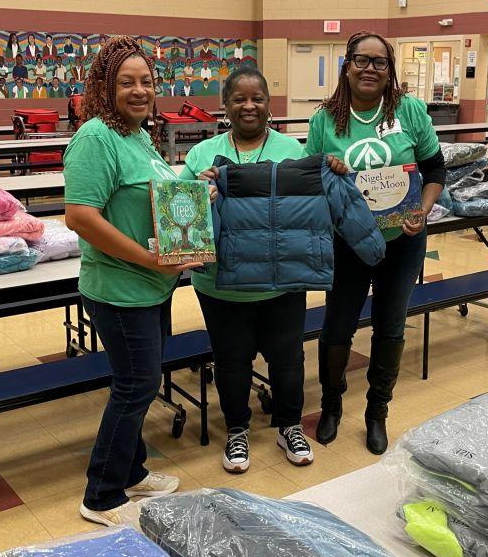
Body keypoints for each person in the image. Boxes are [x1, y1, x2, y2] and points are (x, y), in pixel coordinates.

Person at [64, 35, 203, 527]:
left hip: (151, 285)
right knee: (135, 385)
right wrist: (150, 258)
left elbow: (150, 197)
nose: (139, 90)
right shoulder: (96, 137)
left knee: (142, 384)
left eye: (146, 81)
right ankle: (100, 494)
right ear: (106, 86)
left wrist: (192, 191)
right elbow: (79, 216)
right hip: (122, 288)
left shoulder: (138, 134)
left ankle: (134, 470)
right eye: (126, 82)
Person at [304, 31, 445, 455]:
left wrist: (422, 209)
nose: (370, 69)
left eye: (379, 62)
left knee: (391, 326)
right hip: (346, 243)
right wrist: (326, 167)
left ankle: (376, 412)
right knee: (337, 327)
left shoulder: (411, 111)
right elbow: (312, 180)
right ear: (346, 66)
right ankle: (331, 406)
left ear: (390, 70)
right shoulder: (324, 119)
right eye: (361, 61)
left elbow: (435, 169)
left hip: (401, 241)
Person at [179, 67, 318, 473]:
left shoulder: (292, 151)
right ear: (225, 106)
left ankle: (289, 424)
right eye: (238, 99)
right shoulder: (202, 155)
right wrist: (199, 195)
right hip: (222, 284)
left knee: (288, 359)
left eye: (256, 98)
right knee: (232, 361)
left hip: (282, 281)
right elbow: (182, 215)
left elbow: (306, 213)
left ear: (269, 104)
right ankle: (237, 429)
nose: (248, 106)